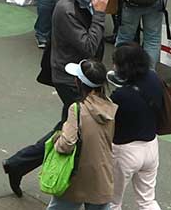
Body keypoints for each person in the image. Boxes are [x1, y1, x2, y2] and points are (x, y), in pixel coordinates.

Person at [48, 58, 119, 210]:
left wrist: (56, 140)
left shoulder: (77, 109)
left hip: (77, 175)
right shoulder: (110, 107)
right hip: (102, 175)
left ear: (78, 82)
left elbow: (67, 144)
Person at [107, 42, 165, 210]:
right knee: (147, 200)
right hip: (151, 147)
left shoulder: (121, 95)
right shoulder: (154, 78)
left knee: (112, 202)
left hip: (125, 152)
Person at [50, 0, 111, 112]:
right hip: (71, 78)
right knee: (78, 120)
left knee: (73, 119)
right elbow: (89, 47)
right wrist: (100, 14)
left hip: (85, 72)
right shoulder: (67, 10)